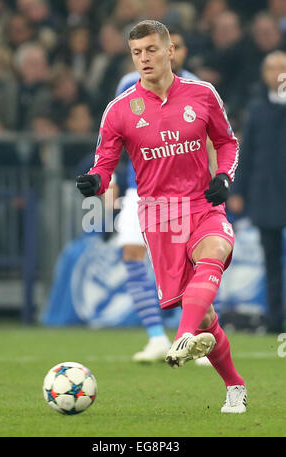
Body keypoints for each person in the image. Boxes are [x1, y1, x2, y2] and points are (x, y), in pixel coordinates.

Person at [76, 20, 247, 413]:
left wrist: (224, 175)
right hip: (159, 215)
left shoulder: (202, 94)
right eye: (137, 53)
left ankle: (181, 338)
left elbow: (226, 141)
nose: (144, 59)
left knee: (215, 249)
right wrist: (94, 181)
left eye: (152, 50)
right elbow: (105, 162)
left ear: (171, 51)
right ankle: (234, 384)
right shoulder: (119, 109)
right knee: (204, 313)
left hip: (203, 204)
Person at [113, 28, 210, 363]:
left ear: (174, 51)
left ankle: (197, 336)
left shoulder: (198, 88)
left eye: (176, 46)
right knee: (132, 255)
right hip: (138, 188)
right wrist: (109, 178)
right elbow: (114, 137)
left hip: (186, 195)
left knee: (194, 265)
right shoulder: (129, 83)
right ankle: (156, 336)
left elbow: (213, 140)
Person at [228, 50, 286, 334]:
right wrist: (238, 191)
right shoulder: (257, 109)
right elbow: (246, 153)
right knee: (271, 261)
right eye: (272, 68)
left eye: (282, 67)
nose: (277, 73)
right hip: (267, 195)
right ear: (264, 75)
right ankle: (276, 320)